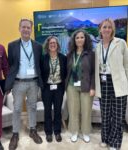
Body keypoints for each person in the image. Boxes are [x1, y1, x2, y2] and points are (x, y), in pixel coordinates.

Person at [5, 18, 43, 150]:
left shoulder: (38, 46)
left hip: (33, 82)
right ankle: (15, 134)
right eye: (24, 27)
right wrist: (9, 84)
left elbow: (39, 64)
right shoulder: (12, 45)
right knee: (16, 109)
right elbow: (11, 65)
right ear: (19, 28)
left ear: (31, 29)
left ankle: (33, 129)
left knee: (32, 107)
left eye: (28, 27)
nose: (26, 29)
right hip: (18, 83)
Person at [95, 18, 128, 150]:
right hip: (103, 82)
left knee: (118, 115)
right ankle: (105, 138)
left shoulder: (121, 43)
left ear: (112, 29)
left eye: (109, 27)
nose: (107, 29)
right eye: (104, 27)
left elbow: (126, 65)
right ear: (100, 30)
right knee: (105, 113)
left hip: (118, 83)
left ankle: (115, 142)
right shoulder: (97, 47)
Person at [66, 29, 95, 143]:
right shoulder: (69, 55)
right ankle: (75, 132)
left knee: (86, 110)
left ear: (85, 39)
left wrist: (93, 87)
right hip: (71, 86)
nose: (79, 39)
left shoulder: (91, 54)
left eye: (82, 37)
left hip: (86, 86)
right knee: (73, 110)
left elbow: (93, 72)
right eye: (77, 37)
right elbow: (66, 71)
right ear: (74, 40)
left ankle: (85, 132)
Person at [41, 36, 67, 142]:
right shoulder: (43, 58)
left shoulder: (63, 58)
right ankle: (48, 132)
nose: (52, 44)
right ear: (48, 45)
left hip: (59, 88)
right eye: (51, 43)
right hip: (47, 88)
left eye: (54, 43)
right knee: (47, 111)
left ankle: (57, 132)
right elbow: (41, 73)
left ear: (57, 45)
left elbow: (65, 73)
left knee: (57, 110)